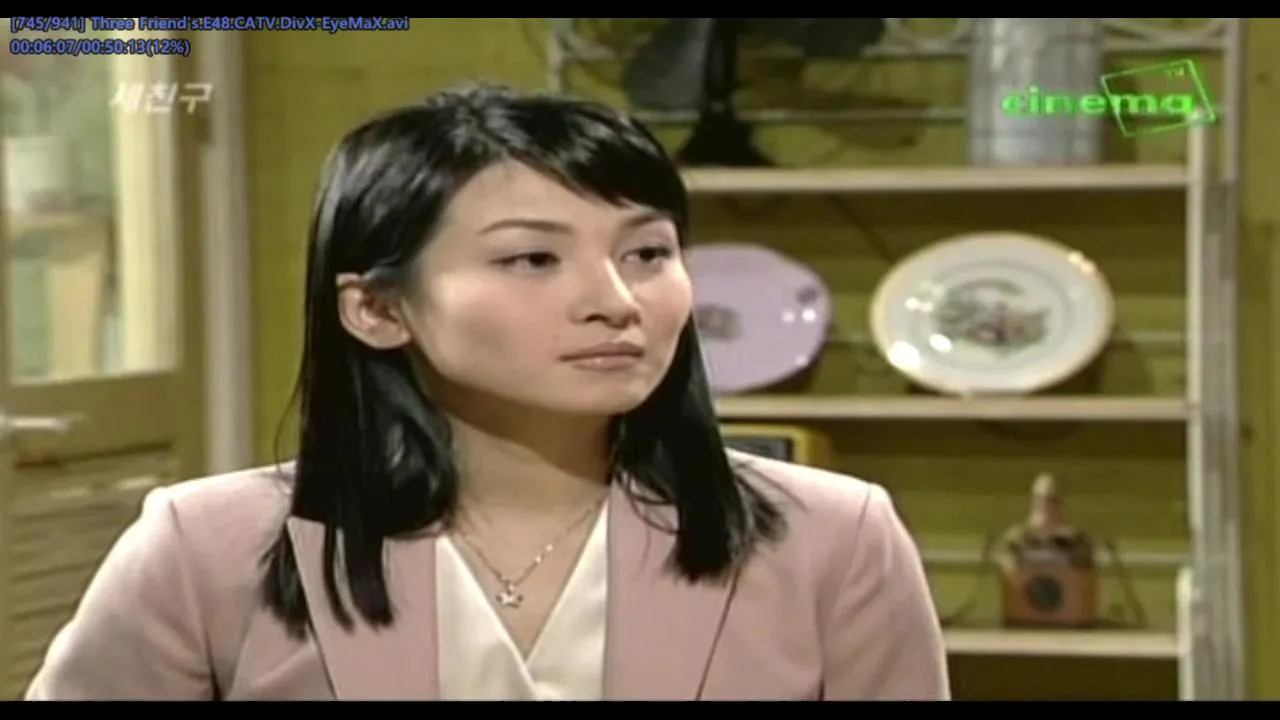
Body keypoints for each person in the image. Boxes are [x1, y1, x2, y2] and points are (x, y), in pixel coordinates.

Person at [24, 84, 950, 701]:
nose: (617, 301)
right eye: (533, 259)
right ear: (379, 308)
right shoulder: (205, 551)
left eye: (647, 252)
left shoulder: (835, 541)